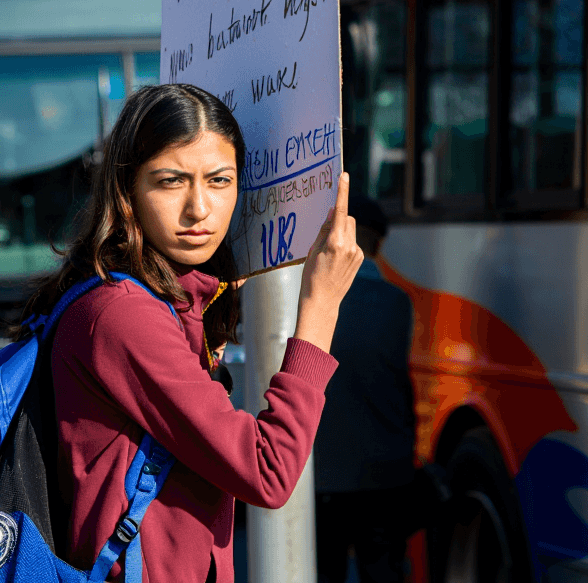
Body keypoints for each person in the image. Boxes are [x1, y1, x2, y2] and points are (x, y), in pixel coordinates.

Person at [36, 83, 363, 582]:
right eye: (171, 181)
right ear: (126, 190)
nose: (199, 208)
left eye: (219, 180)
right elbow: (267, 471)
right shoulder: (123, 315)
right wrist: (320, 306)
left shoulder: (162, 299)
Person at [313, 191, 417, 583]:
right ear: (379, 244)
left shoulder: (314, 298)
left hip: (324, 475)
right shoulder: (398, 302)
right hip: (386, 474)